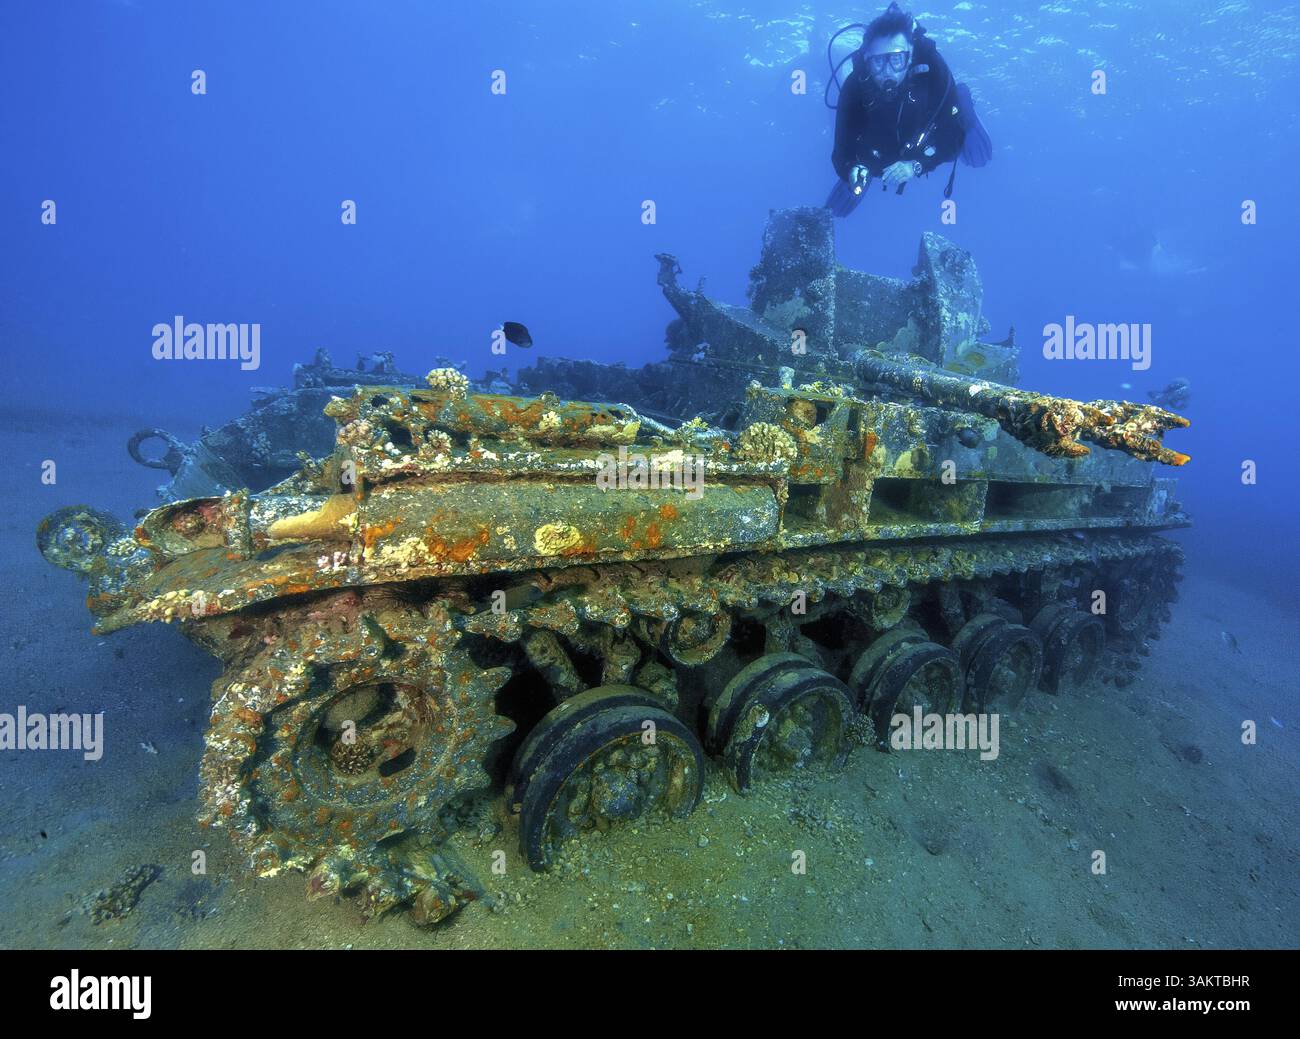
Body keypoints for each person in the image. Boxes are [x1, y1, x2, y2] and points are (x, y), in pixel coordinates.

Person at [825, 3, 991, 216]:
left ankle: (965, 106)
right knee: (864, 170)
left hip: (922, 136)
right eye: (878, 62)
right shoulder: (854, 87)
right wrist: (851, 168)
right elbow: (841, 151)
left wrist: (917, 166)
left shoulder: (932, 73)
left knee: (966, 152)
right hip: (880, 146)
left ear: (910, 56)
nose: (887, 72)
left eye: (896, 59)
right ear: (866, 61)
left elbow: (951, 140)